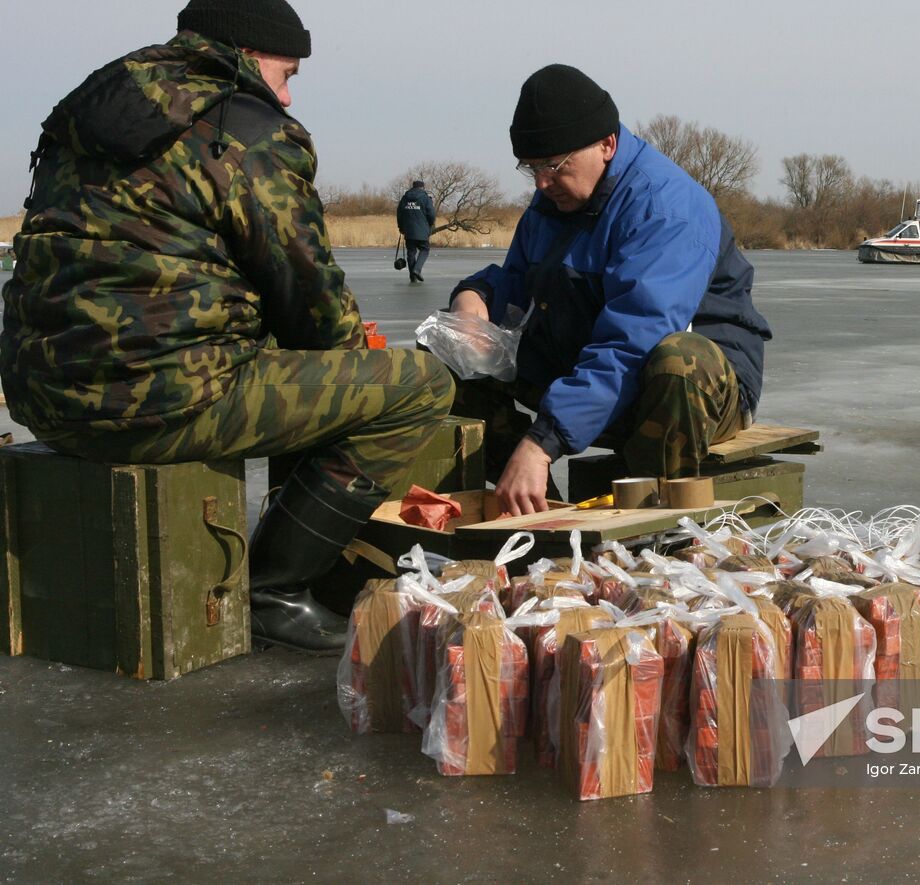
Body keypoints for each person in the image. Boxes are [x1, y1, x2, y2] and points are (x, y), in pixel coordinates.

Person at [0, 0, 454, 653]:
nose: (289, 92)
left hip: (44, 394)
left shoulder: (105, 103)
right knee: (419, 386)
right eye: (288, 72)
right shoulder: (248, 129)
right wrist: (358, 359)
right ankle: (272, 588)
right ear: (250, 54)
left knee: (276, 353)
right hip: (156, 401)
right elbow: (311, 300)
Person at [445, 64, 771, 517]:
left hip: (692, 394)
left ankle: (652, 532)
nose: (540, 183)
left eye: (554, 166)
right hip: (592, 372)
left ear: (607, 145)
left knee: (678, 361)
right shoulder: (555, 201)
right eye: (531, 167)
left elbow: (634, 339)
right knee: (455, 358)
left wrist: (542, 443)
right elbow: (520, 287)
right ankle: (537, 511)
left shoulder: (666, 207)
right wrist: (474, 298)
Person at [397, 179, 436, 282]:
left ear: (413, 187)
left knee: (411, 253)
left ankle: (412, 277)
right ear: (422, 187)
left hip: (408, 231)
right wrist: (431, 224)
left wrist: (401, 227)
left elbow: (399, 214)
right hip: (422, 230)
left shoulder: (405, 198)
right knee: (425, 249)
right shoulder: (425, 198)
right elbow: (431, 213)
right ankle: (417, 270)